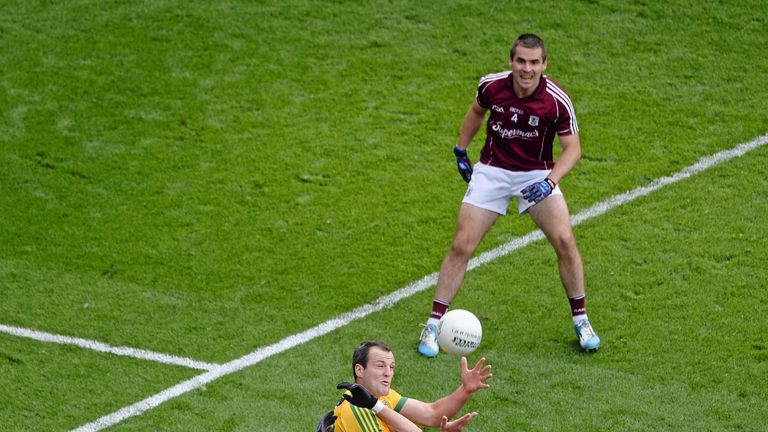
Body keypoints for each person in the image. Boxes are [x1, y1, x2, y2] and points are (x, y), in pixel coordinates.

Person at [418, 33, 601, 358]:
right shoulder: (492, 86)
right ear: (511, 61)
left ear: (544, 64)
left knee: (564, 240)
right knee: (462, 245)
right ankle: (433, 324)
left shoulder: (556, 100)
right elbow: (476, 112)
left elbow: (573, 149)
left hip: (536, 174)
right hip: (492, 171)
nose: (526, 69)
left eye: (533, 62)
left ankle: (581, 320)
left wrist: (549, 182)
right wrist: (461, 149)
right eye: (521, 61)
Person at [319, 340, 491, 431]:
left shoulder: (382, 397)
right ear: (360, 370)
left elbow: (432, 414)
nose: (388, 372)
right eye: (380, 366)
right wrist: (376, 406)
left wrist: (465, 389)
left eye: (391, 367)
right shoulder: (357, 411)